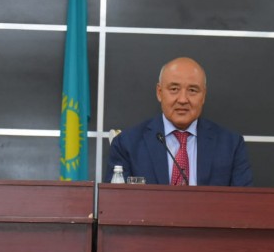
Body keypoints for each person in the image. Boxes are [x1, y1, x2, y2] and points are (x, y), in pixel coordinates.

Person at [105, 57, 253, 186]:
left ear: (203, 96)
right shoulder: (127, 144)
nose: (183, 99)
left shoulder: (231, 146)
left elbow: (244, 204)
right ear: (159, 92)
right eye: (174, 89)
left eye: (192, 90)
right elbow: (115, 203)